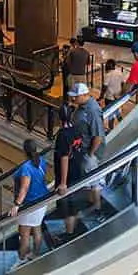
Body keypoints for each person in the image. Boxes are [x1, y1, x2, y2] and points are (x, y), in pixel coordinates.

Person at [8, 138, 50, 266]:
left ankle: (21, 259)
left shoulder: (26, 167)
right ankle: (35, 254)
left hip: (30, 204)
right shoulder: (41, 161)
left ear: (24, 151)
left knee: (24, 233)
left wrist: (16, 205)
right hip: (42, 200)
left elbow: (24, 188)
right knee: (37, 228)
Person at [68, 82, 104, 217]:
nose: (73, 99)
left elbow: (98, 135)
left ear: (83, 95)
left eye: (75, 97)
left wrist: (91, 153)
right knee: (88, 180)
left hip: (90, 152)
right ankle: (91, 204)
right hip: (82, 149)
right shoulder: (82, 107)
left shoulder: (92, 111)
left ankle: (98, 209)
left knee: (94, 181)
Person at [53, 103, 85, 242]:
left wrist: (63, 183)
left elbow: (64, 158)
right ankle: (74, 228)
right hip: (77, 170)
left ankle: (70, 233)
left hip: (68, 175)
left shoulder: (62, 135)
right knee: (75, 203)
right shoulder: (77, 130)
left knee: (67, 205)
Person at [101, 59, 125, 129]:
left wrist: (101, 96)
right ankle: (123, 126)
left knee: (110, 115)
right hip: (118, 98)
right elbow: (123, 83)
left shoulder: (108, 75)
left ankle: (111, 129)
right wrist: (121, 94)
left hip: (109, 98)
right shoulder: (119, 72)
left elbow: (104, 87)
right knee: (118, 112)